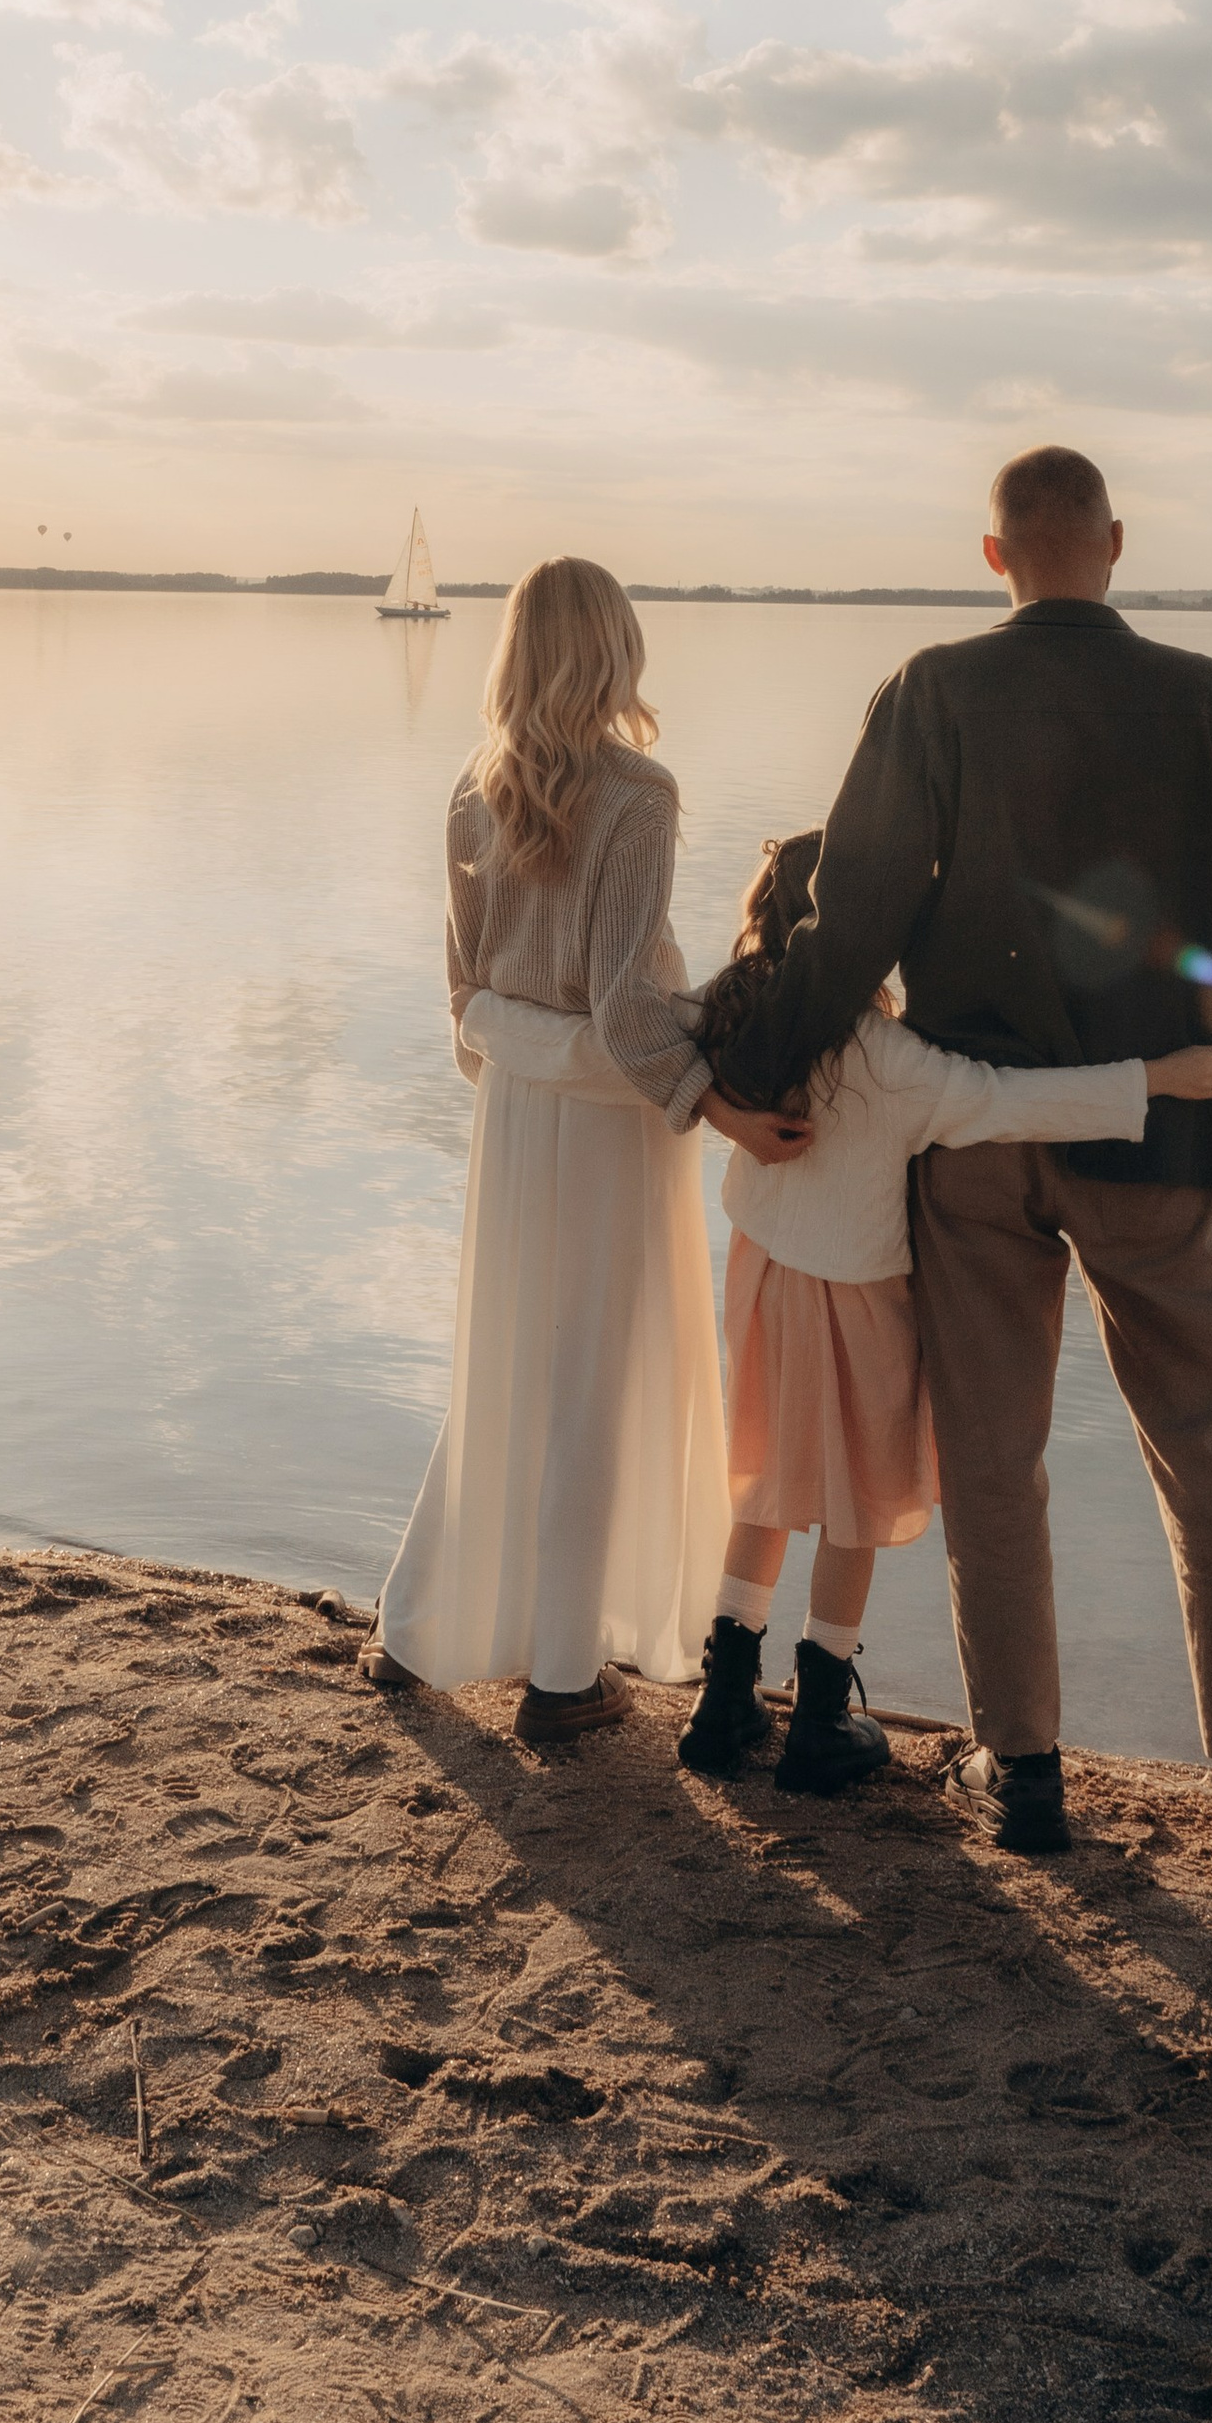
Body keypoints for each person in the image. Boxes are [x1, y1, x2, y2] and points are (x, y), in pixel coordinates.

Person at [707, 446, 1212, 1885]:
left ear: (992, 554)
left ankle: (1019, 1769)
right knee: (1209, 1446)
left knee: (992, 1457)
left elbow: (854, 913)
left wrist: (764, 1071)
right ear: (1116, 542)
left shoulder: (932, 689)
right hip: (1165, 1138)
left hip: (977, 1142)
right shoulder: (1211, 699)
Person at [683, 829, 1212, 1796]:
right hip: (860, 1295)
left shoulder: (730, 1014)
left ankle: (721, 1701)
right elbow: (1011, 1099)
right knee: (857, 1501)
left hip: (763, 1278)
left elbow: (648, 1038)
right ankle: (818, 1718)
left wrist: (711, 1109)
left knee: (767, 1480)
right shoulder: (891, 1059)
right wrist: (1156, 1078)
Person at [368, 556, 809, 1740]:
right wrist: (714, 1098)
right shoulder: (638, 795)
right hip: (612, 1118)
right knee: (595, 1377)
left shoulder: (472, 788)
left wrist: (514, 1058)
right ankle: (563, 1675)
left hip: (517, 1109)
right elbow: (622, 1006)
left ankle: (415, 1628)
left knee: (508, 1358)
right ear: (614, 648)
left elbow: (464, 990)